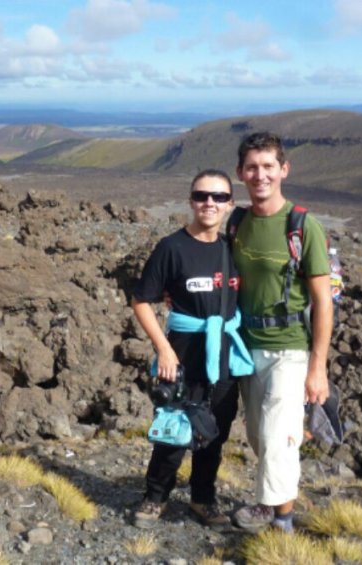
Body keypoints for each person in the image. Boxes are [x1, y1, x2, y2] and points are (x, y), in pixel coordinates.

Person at [131, 169, 254, 530]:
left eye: (219, 197)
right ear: (191, 201)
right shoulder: (172, 248)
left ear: (230, 204)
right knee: (173, 428)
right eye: (202, 196)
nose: (209, 203)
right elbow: (141, 300)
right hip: (182, 354)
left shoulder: (233, 249)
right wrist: (164, 350)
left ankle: (203, 499)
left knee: (214, 432)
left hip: (224, 355)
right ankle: (155, 497)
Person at [229, 132, 333, 534]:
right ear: (241, 173)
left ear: (284, 170)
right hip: (247, 346)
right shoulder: (236, 223)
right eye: (252, 167)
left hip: (289, 348)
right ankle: (279, 512)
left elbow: (323, 301)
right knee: (260, 436)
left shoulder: (304, 227)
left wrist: (318, 367)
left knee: (276, 436)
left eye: (268, 166)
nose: (261, 175)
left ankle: (274, 515)